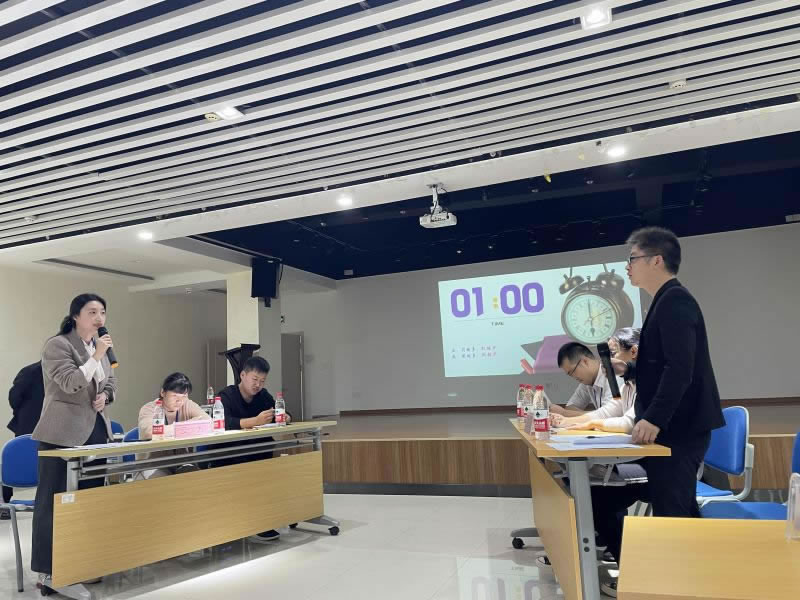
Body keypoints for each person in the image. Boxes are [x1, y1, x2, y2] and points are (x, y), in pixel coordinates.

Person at [591, 227, 725, 597]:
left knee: (674, 512)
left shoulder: (676, 301)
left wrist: (653, 418)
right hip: (670, 430)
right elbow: (663, 364)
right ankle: (676, 579)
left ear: (656, 260)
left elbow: (681, 369)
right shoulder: (663, 302)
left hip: (679, 431)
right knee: (666, 507)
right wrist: (630, 370)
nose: (627, 267)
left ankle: (682, 586)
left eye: (632, 259)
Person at [31, 293, 117, 588]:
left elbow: (110, 382)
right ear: (75, 316)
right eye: (92, 312)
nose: (99, 318)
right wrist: (96, 356)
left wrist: (106, 396)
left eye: (102, 312)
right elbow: (70, 383)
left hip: (96, 430)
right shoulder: (58, 345)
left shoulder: (100, 347)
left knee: (90, 499)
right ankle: (48, 570)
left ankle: (82, 561)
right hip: (61, 433)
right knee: (54, 501)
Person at [216, 356, 291, 542]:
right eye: (255, 379)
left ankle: (264, 521)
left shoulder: (263, 396)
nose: (258, 385)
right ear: (243, 375)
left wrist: (285, 416)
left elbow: (282, 412)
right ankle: (251, 522)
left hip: (259, 453)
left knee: (271, 475)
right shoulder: (226, 395)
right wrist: (254, 421)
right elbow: (222, 422)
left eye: (262, 381)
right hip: (230, 456)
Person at [551, 329, 640, 433]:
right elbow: (605, 413)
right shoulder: (626, 385)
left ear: (633, 351)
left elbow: (629, 422)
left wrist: (591, 423)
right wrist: (565, 421)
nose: (607, 360)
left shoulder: (645, 383)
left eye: (612, 354)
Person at [137, 372, 211, 478]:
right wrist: (185, 426)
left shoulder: (187, 404)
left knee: (197, 478)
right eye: (174, 395)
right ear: (163, 392)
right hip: (153, 464)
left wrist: (168, 430)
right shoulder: (150, 408)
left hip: (182, 462)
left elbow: (208, 423)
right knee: (161, 482)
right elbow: (149, 432)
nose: (179, 401)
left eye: (184, 396)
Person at [3, 361, 45, 518]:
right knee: (19, 462)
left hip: (50, 425)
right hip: (29, 424)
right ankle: (5, 502)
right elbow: (14, 397)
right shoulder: (31, 371)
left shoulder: (63, 371)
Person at [550, 342, 625, 418]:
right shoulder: (587, 382)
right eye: (570, 375)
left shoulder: (613, 376)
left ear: (585, 361)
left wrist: (564, 413)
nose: (574, 377)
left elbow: (609, 416)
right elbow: (570, 407)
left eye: (572, 372)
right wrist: (595, 415)